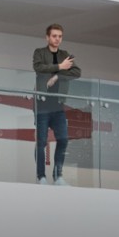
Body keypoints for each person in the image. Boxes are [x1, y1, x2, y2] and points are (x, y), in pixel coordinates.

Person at [31, 23, 82, 186]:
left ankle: (58, 175)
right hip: (42, 103)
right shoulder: (39, 52)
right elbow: (38, 68)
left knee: (63, 139)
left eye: (60, 36)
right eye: (54, 36)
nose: (57, 39)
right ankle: (41, 176)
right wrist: (60, 66)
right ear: (47, 37)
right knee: (41, 141)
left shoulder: (65, 54)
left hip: (58, 105)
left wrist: (58, 76)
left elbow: (76, 72)